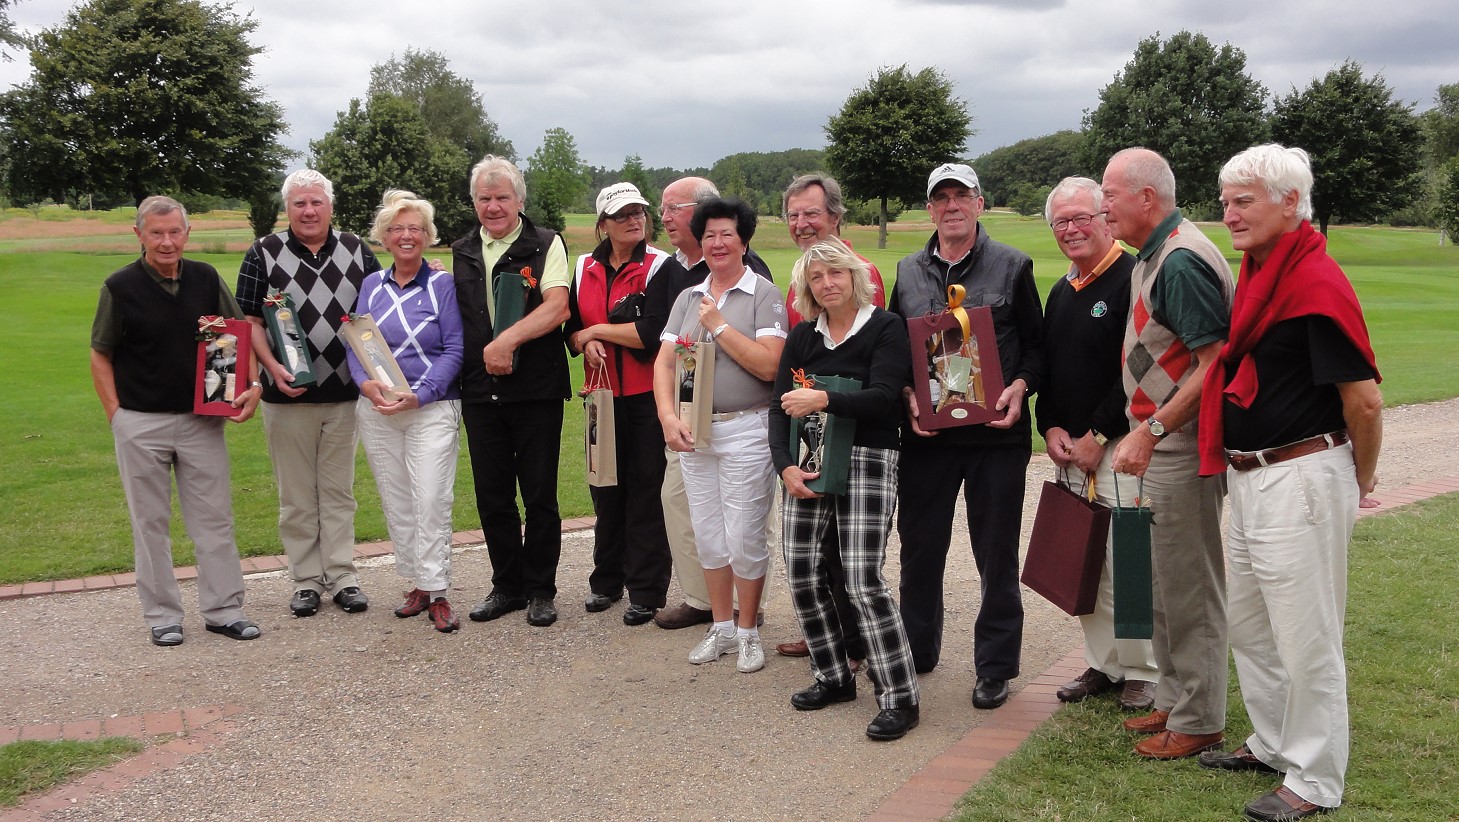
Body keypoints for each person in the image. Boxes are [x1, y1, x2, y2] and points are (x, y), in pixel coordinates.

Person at [1195, 145, 1381, 822]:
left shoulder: (1313, 286)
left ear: (1290, 202)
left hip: (1300, 473)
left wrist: (1356, 479)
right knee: (1251, 625)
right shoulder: (1260, 274)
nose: (1229, 214)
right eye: (1225, 201)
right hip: (1251, 475)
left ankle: (1314, 778)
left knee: (1306, 636)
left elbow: (1364, 402)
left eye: (1243, 201)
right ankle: (1272, 741)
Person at [888, 163, 1045, 710]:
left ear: (979, 203)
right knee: (920, 548)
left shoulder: (1012, 265)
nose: (951, 206)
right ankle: (916, 648)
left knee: (995, 553)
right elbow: (896, 348)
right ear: (930, 208)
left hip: (994, 435)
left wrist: (1021, 386)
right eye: (941, 198)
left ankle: (995, 666)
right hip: (929, 439)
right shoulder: (908, 271)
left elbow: (1035, 346)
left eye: (962, 196)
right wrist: (907, 392)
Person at [1101, 147, 1234, 759]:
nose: (1103, 207)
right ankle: (1176, 700)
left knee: (1189, 586)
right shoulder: (1154, 254)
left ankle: (1200, 718)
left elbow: (1215, 364)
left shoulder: (1179, 261)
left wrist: (1150, 431)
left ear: (1146, 198)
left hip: (1180, 447)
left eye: (1110, 195)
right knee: (1161, 581)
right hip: (1162, 445)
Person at [89, 195, 263, 646]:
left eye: (174, 232)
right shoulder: (119, 286)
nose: (166, 242)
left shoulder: (205, 277)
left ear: (187, 233)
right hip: (140, 422)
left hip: (201, 420)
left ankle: (224, 610)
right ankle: (163, 615)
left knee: (215, 520)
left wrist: (251, 384)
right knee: (150, 524)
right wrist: (116, 415)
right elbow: (100, 354)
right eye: (156, 233)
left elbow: (236, 332)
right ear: (139, 235)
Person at [770, 237, 920, 740]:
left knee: (861, 579)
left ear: (855, 277)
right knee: (801, 572)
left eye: (835, 273)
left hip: (869, 457)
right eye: (816, 277)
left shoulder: (885, 327)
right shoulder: (801, 337)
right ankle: (833, 676)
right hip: (810, 461)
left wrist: (822, 399)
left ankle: (899, 697)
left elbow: (883, 398)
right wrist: (784, 467)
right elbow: (778, 408)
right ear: (806, 287)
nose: (827, 283)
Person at [1034, 177, 1160, 711]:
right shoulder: (1063, 290)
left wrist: (1099, 434)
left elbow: (1139, 369)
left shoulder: (1132, 279)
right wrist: (1049, 426)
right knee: (1085, 559)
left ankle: (1143, 669)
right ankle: (1105, 662)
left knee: (1128, 559)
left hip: (1121, 446)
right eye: (1061, 221)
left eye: (1081, 217)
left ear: (1105, 219)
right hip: (1073, 450)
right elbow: (1050, 371)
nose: (1071, 229)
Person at [236, 169, 381, 618]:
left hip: (346, 395)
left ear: (330, 206)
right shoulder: (263, 252)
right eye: (299, 203)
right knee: (297, 497)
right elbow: (250, 321)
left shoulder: (357, 250)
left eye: (316, 201)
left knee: (338, 493)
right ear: (288, 208)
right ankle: (305, 581)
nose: (309, 210)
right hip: (288, 397)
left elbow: (381, 307)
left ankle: (342, 577)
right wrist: (272, 367)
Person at [653, 197, 787, 673]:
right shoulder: (688, 298)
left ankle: (748, 630)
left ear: (744, 241)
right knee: (709, 535)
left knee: (744, 535)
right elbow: (665, 364)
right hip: (695, 432)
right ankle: (722, 627)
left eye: (726, 233)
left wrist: (720, 325)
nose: (717, 243)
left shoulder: (764, 294)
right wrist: (667, 417)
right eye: (708, 235)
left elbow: (769, 366)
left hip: (746, 429)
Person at [452, 156, 572, 629]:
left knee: (539, 495)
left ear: (519, 200)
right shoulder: (462, 250)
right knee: (492, 496)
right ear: (474, 203)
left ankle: (541, 590)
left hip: (536, 389)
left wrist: (506, 341)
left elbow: (558, 306)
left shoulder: (545, 243)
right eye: (484, 198)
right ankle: (507, 586)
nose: (493, 206)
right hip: (480, 391)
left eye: (502, 197)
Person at [773, 173, 884, 664]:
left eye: (811, 213)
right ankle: (827, 634)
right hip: (811, 427)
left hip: (852, 434)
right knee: (816, 549)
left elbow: (864, 359)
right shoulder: (805, 274)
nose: (802, 223)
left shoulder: (857, 272)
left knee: (845, 551)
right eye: (793, 215)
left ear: (835, 217)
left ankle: (852, 643)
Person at [567, 183, 687, 626]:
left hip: (645, 396)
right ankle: (606, 581)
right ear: (603, 223)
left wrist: (594, 331)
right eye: (622, 215)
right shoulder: (583, 266)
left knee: (644, 491)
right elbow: (570, 328)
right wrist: (583, 340)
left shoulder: (660, 266)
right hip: (599, 396)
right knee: (604, 490)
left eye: (638, 212)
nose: (633, 220)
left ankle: (646, 590)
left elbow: (651, 333)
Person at [348, 190, 464, 633]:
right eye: (397, 229)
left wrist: (423, 393)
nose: (406, 236)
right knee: (398, 500)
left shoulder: (441, 285)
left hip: (431, 407)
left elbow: (455, 348)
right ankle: (417, 583)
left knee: (431, 497)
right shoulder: (371, 286)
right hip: (379, 409)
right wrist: (365, 383)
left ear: (428, 236)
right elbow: (357, 342)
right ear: (384, 238)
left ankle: (437, 590)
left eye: (415, 228)